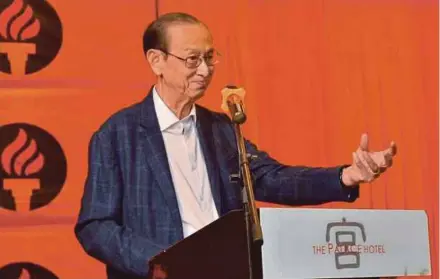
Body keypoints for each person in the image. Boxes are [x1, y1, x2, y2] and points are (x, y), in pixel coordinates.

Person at [74, 12, 397, 279]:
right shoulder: (118, 134)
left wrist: (346, 176)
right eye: (192, 59)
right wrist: (156, 261)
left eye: (209, 57)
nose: (205, 70)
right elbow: (95, 226)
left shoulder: (220, 129)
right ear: (156, 61)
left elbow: (273, 178)